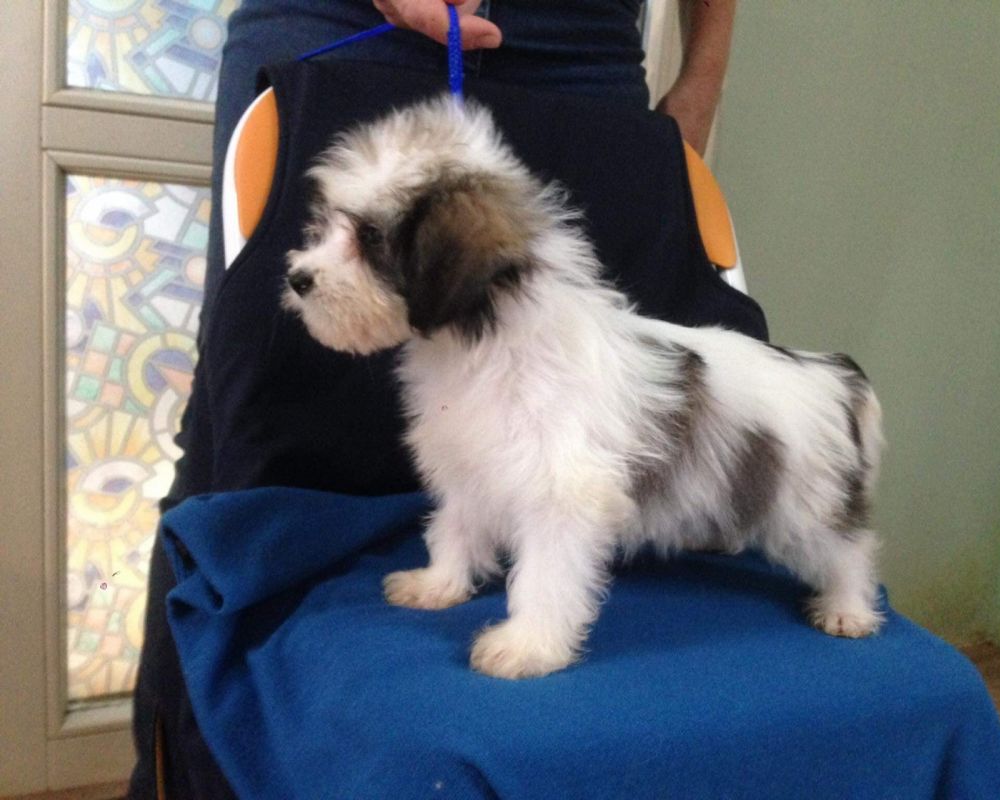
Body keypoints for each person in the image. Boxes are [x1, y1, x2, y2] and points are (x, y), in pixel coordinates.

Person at [129, 2, 736, 796]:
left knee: (566, 404)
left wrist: (704, 74)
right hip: (336, 21)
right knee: (238, 444)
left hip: (588, 51)